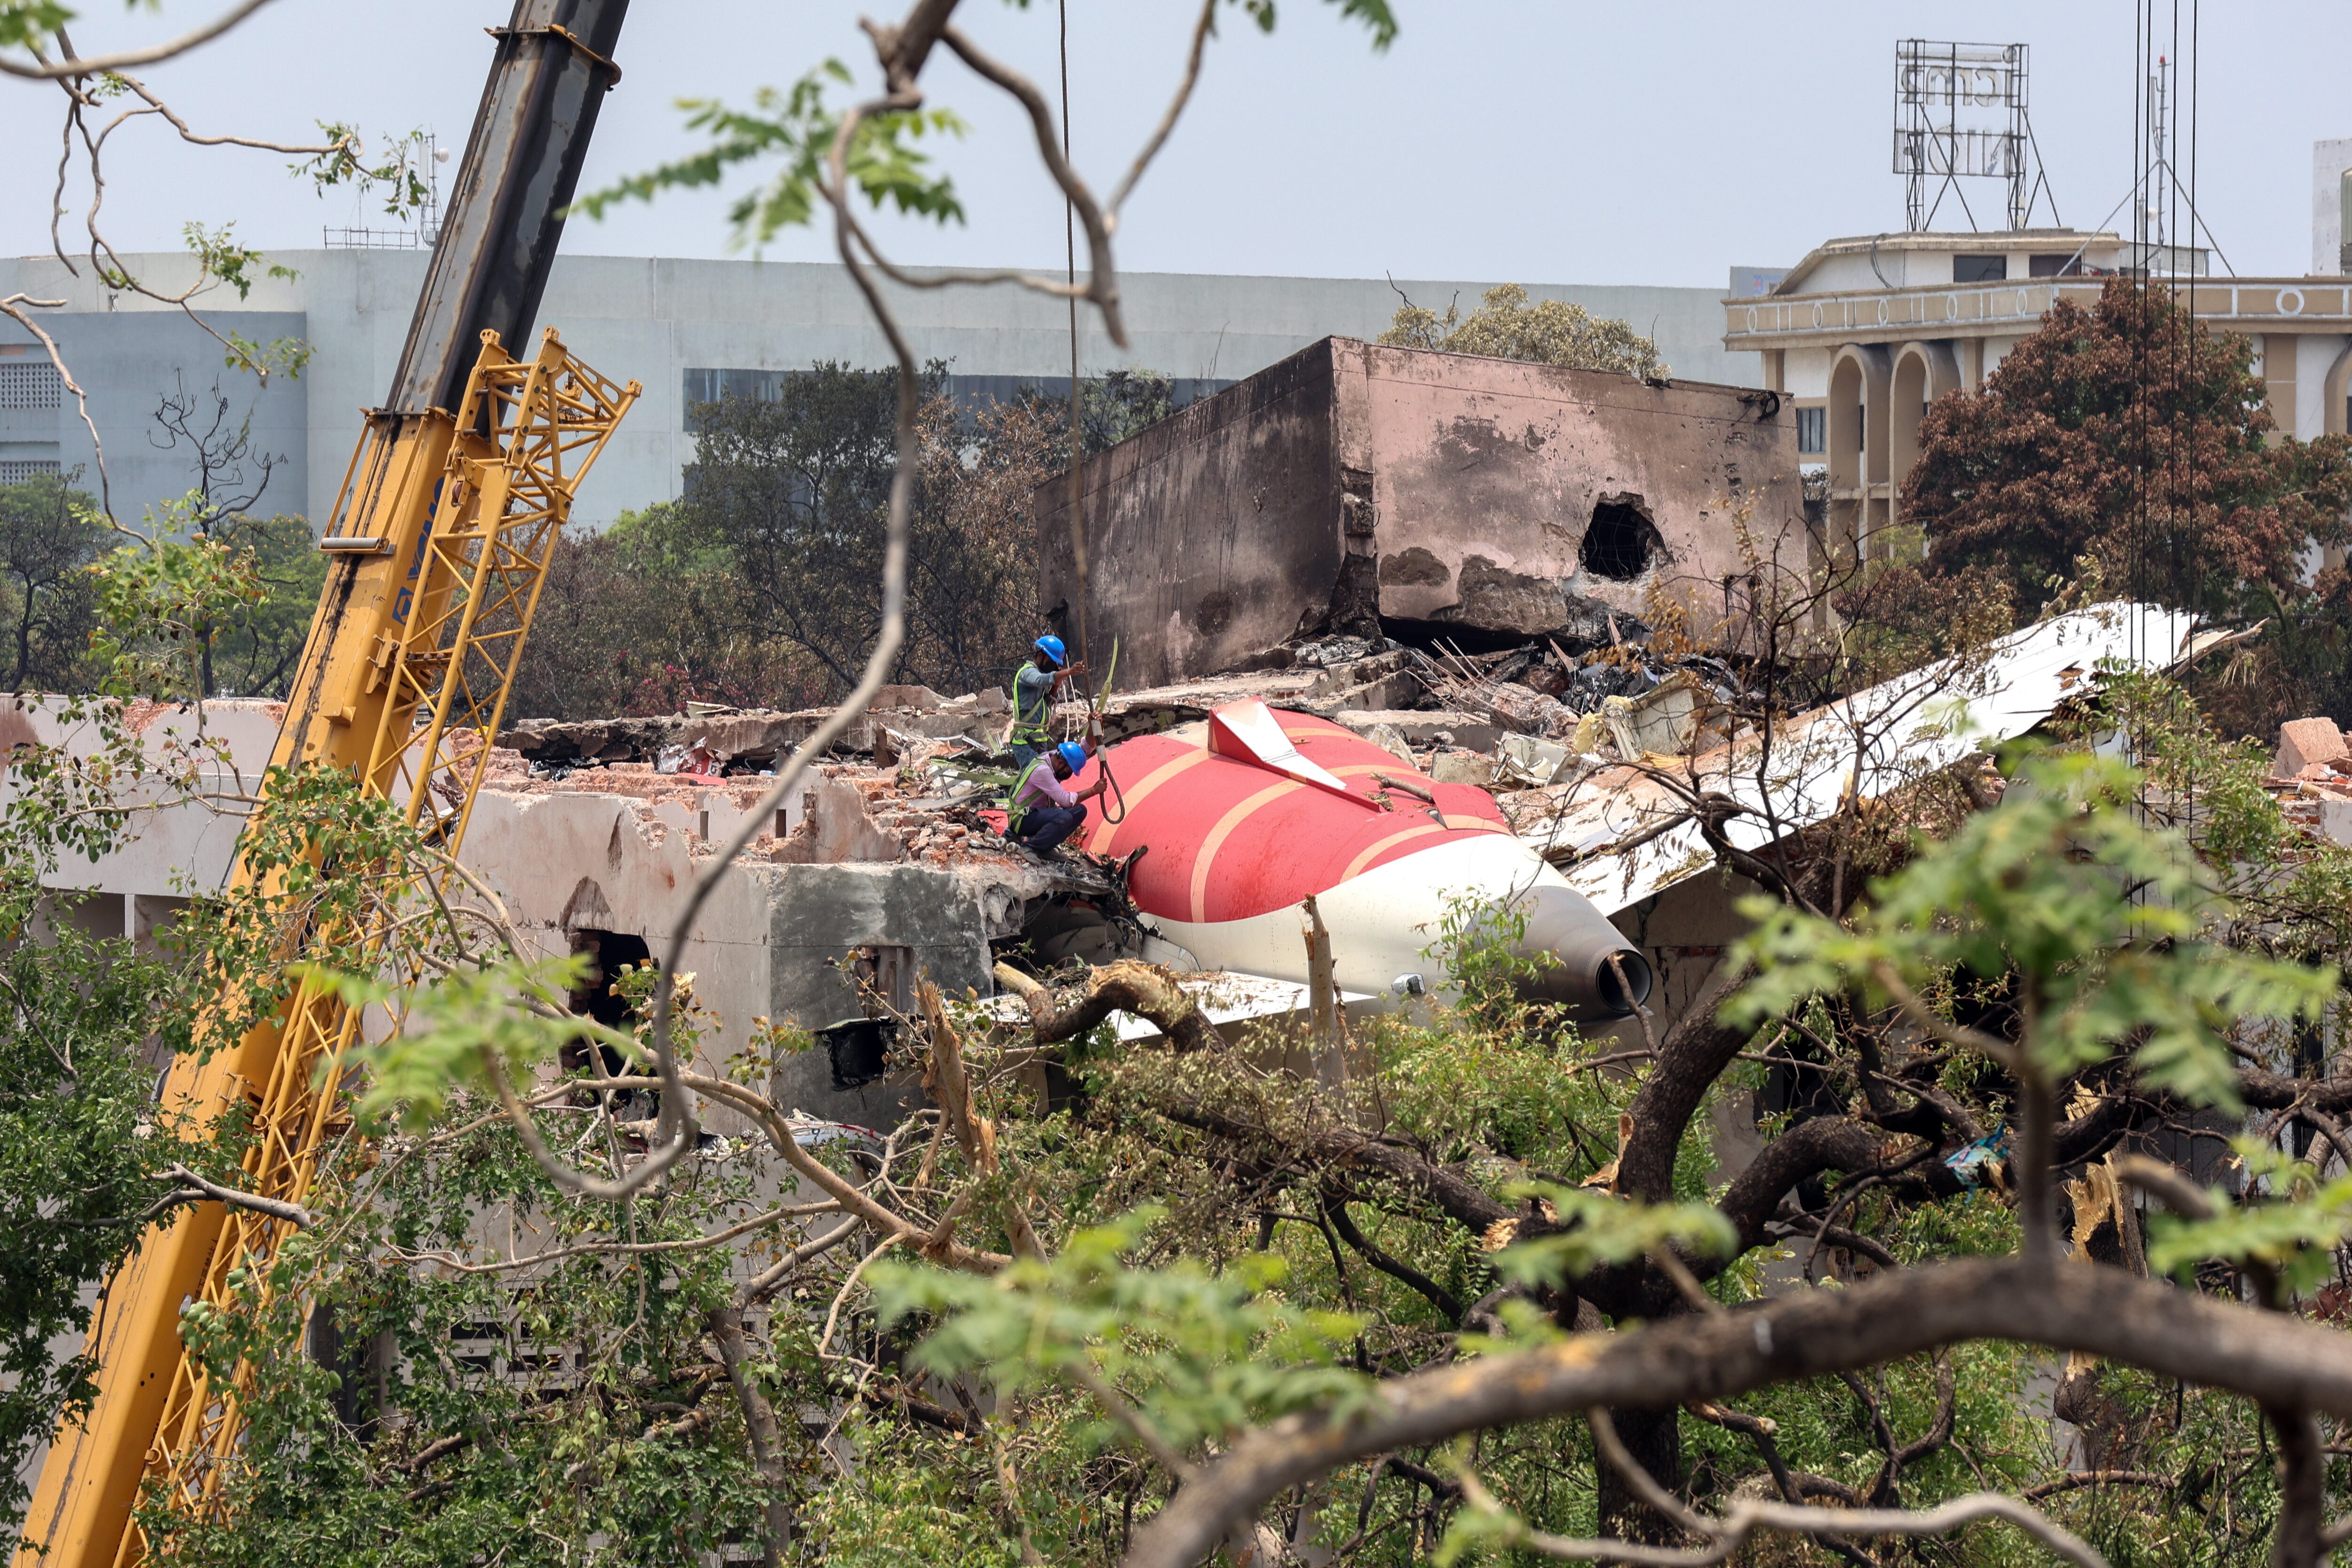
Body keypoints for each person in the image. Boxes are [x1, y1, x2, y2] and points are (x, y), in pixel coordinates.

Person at [1008, 740, 1105, 857]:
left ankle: (1045, 847)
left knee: (1080, 811)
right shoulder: (1043, 771)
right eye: (1068, 771)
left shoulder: (1054, 756)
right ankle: (1030, 848)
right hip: (1021, 819)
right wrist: (1094, 790)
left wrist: (1093, 726)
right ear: (1061, 763)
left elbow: (1083, 748)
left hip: (1035, 813)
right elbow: (1065, 801)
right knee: (1064, 817)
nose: (1068, 775)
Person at [1008, 634, 1086, 773]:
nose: (1054, 667)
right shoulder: (1027, 673)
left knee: (1043, 778)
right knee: (1034, 779)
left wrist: (1056, 687)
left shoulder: (1039, 675)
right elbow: (1041, 680)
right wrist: (1068, 672)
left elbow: (1045, 706)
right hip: (1025, 743)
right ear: (1041, 656)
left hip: (1037, 743)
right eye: (1052, 662)